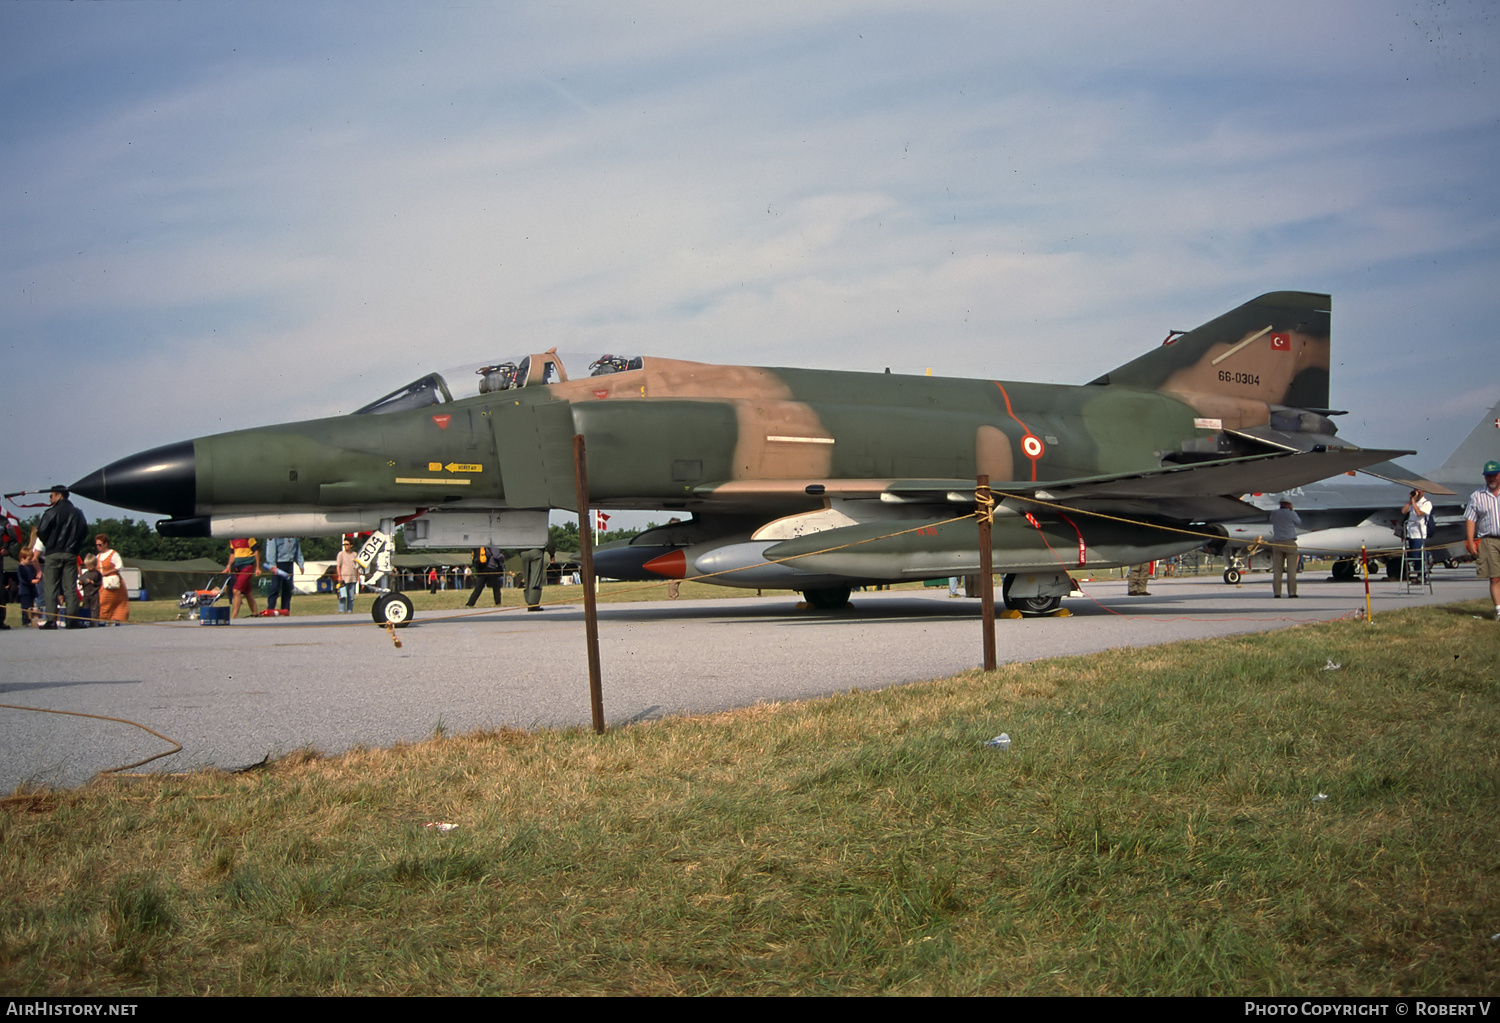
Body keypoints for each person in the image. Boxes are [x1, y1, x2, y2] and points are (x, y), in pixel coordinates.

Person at [35, 485, 88, 629]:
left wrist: (50, 544)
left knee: (50, 587)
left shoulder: (51, 512)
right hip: (71, 553)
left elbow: (41, 531)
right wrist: (75, 547)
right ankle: (72, 620)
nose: (50, 498)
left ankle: (51, 620)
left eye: (51, 495)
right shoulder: (78, 513)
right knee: (70, 587)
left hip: (53, 553)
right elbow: (84, 531)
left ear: (59, 496)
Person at [1463, 460, 1500, 621]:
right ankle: (1499, 610)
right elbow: (1471, 519)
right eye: (1488, 476)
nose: (1491, 479)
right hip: (1489, 540)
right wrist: (1470, 541)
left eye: (1494, 475)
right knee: (1495, 576)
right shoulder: (1477, 496)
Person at [262, 537, 305, 617]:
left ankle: (285, 610)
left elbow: (297, 550)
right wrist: (272, 564)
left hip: (289, 563)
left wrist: (300, 564)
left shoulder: (294, 535)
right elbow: (271, 549)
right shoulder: (275, 535)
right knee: (275, 587)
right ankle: (270, 609)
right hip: (278, 564)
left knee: (288, 588)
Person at [1268, 499, 1302, 598]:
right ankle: (1292, 593)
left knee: (1277, 571)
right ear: (1288, 504)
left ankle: (1277, 593)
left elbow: (1271, 520)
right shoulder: (1292, 514)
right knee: (1291, 571)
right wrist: (1292, 510)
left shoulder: (1274, 513)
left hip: (1277, 543)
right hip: (1289, 542)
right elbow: (1299, 522)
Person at [220, 537, 260, 619]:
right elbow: (233, 554)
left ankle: (233, 617)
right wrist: (228, 566)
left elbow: (256, 551)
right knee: (247, 592)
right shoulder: (232, 539)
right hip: (238, 568)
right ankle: (255, 613)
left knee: (236, 591)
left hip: (247, 566)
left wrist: (258, 567)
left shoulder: (248, 537)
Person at [94, 534, 129, 624]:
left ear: (106, 544)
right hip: (103, 583)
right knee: (102, 602)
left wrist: (108, 572)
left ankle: (117, 619)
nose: (98, 547)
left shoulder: (113, 554)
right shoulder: (98, 556)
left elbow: (119, 566)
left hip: (113, 582)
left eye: (100, 545)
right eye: (96, 545)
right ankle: (103, 619)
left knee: (116, 602)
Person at [1401, 488, 1433, 584]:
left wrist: (1414, 502)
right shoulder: (1413, 502)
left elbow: (1419, 513)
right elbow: (1403, 511)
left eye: (1418, 491)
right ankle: (1420, 575)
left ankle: (1428, 556)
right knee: (1415, 556)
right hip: (1411, 532)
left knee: (1418, 554)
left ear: (1423, 492)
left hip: (1420, 533)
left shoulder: (1426, 503)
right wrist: (1411, 500)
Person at [335, 538, 361, 613]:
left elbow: (357, 567)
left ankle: (349, 611)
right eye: (344, 544)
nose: (345, 546)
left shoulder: (355, 554)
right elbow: (338, 566)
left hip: (352, 579)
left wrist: (358, 577)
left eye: (347, 544)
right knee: (342, 596)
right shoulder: (341, 554)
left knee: (351, 597)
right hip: (343, 579)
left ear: (351, 545)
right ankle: (341, 611)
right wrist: (339, 576)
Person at [79, 553, 102, 626]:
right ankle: (85, 620)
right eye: (87, 566)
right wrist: (81, 582)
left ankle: (94, 621)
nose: (89, 568)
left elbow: (98, 582)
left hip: (94, 593)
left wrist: (92, 582)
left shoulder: (96, 574)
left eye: (90, 566)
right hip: (86, 594)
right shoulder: (86, 573)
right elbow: (81, 578)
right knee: (85, 607)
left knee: (94, 608)